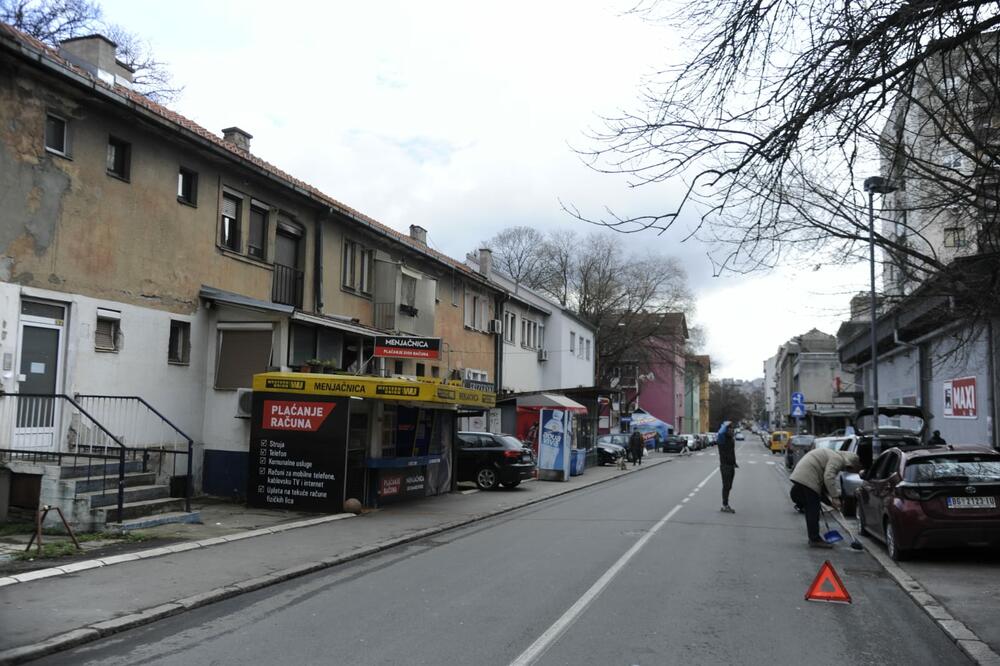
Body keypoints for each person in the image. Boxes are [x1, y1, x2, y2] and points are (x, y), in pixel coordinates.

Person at [788, 447, 862, 548]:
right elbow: (828, 477)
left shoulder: (832, 455)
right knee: (813, 509)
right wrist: (835, 498)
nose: (845, 470)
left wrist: (830, 502)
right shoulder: (838, 459)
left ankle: (814, 537)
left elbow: (822, 488)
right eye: (848, 468)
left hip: (803, 475)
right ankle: (814, 539)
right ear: (848, 462)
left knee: (812, 506)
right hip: (808, 477)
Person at [717, 421, 737, 512]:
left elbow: (732, 453)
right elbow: (720, 433)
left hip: (731, 465)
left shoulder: (731, 439)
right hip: (725, 465)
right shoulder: (722, 439)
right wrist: (724, 425)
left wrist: (734, 462)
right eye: (730, 429)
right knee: (726, 486)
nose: (732, 430)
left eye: (732, 429)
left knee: (729, 486)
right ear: (726, 430)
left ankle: (725, 504)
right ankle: (724, 505)